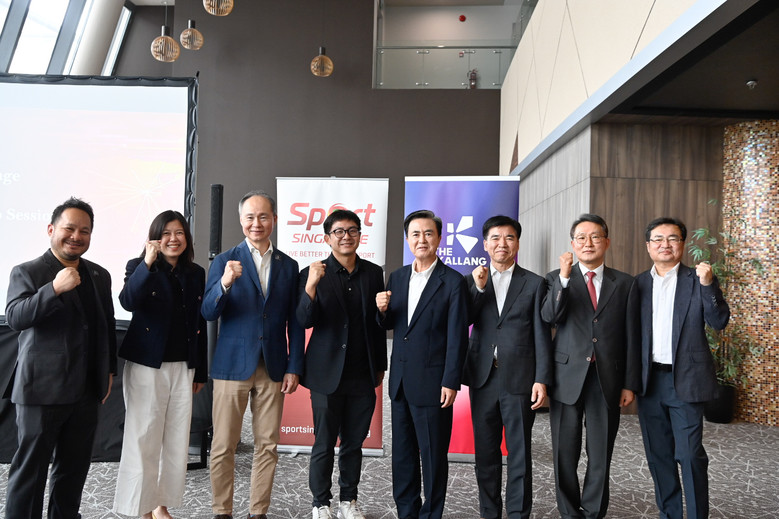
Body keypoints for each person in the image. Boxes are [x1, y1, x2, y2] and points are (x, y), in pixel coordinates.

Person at [3, 197, 116, 519]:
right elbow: (16, 317)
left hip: (86, 391)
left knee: (73, 470)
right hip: (41, 390)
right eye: (69, 228)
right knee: (30, 471)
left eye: (85, 231)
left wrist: (108, 370)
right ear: (52, 229)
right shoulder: (28, 271)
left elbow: (105, 326)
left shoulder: (99, 275)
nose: (76, 236)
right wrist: (52, 289)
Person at [201, 190, 304, 519]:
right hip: (232, 365)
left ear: (274, 219)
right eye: (250, 217)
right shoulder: (224, 261)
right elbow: (208, 312)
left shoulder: (289, 265)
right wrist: (225, 283)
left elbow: (296, 322)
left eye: (263, 216)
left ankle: (258, 512)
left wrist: (294, 366)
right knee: (223, 445)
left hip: (273, 366)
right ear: (241, 220)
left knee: (268, 445)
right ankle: (222, 511)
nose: (256, 223)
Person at [541, 213, 640, 519]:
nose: (588, 243)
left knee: (600, 453)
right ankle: (569, 512)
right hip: (566, 377)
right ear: (572, 244)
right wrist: (564, 278)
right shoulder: (555, 278)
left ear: (606, 242)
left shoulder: (625, 283)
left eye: (595, 237)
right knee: (564, 451)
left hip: (606, 378)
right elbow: (549, 317)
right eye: (581, 238)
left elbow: (632, 336)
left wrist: (629, 383)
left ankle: (594, 511)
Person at [112, 210, 208, 519]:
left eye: (179, 233)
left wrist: (200, 369)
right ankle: (140, 507)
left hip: (183, 366)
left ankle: (160, 504)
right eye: (166, 233)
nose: (173, 239)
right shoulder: (139, 267)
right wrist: (147, 262)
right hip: (147, 364)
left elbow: (199, 323)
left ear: (186, 238)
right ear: (154, 238)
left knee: (176, 439)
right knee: (144, 436)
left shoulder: (195, 273)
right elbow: (127, 301)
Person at [375, 209, 468, 519]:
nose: (422, 239)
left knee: (432, 457)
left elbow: (457, 336)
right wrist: (381, 311)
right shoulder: (398, 277)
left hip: (434, 383)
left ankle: (432, 513)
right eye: (415, 234)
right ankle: (407, 511)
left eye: (428, 233)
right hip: (401, 381)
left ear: (439, 238)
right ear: (407, 239)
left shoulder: (452, 282)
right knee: (402, 456)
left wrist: (451, 380)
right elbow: (392, 325)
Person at [636, 217, 729, 519]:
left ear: (683, 244)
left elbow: (719, 321)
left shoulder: (697, 279)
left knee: (689, 455)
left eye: (672, 238)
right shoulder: (638, 284)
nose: (665, 244)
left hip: (687, 381)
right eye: (658, 239)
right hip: (649, 382)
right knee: (659, 456)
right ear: (648, 246)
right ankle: (670, 514)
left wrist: (708, 284)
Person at [297, 209, 387, 519]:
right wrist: (311, 286)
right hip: (326, 374)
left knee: (353, 444)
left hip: (362, 373)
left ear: (360, 235)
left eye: (352, 231)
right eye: (339, 231)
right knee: (323, 443)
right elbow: (303, 320)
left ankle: (349, 501)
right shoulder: (313, 272)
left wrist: (380, 366)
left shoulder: (373, 273)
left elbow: (378, 325)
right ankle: (320, 503)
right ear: (327, 238)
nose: (346, 236)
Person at [462, 215, 552, 519]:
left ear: (517, 243)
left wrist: (541, 378)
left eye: (509, 237)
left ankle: (517, 513)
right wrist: (478, 288)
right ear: (485, 244)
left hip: (520, 379)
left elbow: (542, 333)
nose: (502, 243)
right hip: (483, 377)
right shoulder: (472, 280)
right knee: (485, 452)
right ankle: (489, 512)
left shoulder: (535, 283)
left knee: (520, 453)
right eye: (496, 238)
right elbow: (465, 320)